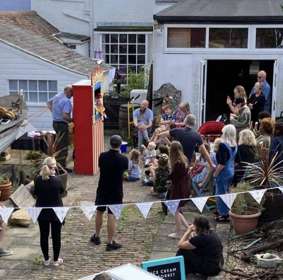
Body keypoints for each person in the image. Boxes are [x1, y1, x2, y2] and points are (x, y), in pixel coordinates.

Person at [90, 135, 128, 251]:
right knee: (111, 215)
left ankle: (96, 236)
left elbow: (100, 166)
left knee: (99, 211)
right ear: (120, 144)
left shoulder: (102, 156)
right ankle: (110, 241)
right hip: (116, 190)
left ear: (110, 143)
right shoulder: (123, 159)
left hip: (103, 187)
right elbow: (125, 171)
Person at [33, 158, 65, 266]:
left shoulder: (37, 180)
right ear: (54, 167)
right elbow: (62, 191)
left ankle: (46, 260)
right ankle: (56, 260)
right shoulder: (57, 180)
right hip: (56, 212)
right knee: (56, 236)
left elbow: (35, 193)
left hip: (42, 211)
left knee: (44, 235)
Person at [214, 124, 237, 222]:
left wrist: (215, 173)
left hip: (223, 172)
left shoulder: (223, 145)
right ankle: (225, 211)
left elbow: (222, 163)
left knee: (221, 193)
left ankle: (224, 215)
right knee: (226, 193)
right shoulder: (235, 145)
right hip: (231, 171)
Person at [168, 141, 191, 239]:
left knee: (176, 211)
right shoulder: (184, 159)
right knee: (178, 210)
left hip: (179, 189)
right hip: (184, 187)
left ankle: (178, 232)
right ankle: (188, 228)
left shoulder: (178, 163)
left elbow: (173, 177)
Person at [47, 85, 73, 169]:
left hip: (55, 123)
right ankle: (61, 167)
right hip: (62, 124)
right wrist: (72, 120)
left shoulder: (57, 96)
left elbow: (49, 102)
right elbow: (65, 116)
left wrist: (54, 113)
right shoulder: (66, 101)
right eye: (72, 93)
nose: (72, 95)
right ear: (68, 91)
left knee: (58, 145)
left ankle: (58, 165)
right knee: (63, 146)